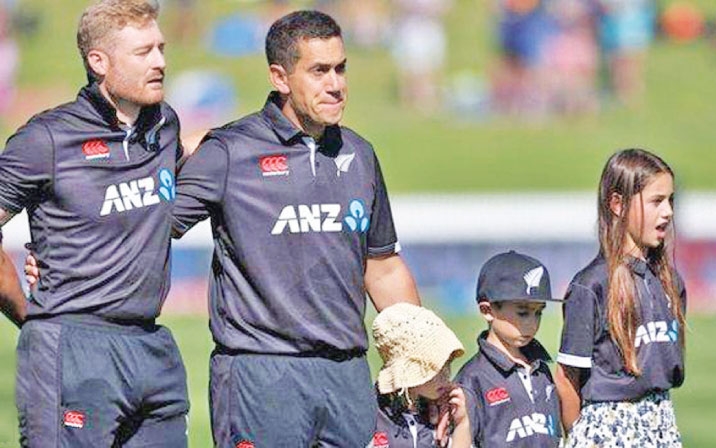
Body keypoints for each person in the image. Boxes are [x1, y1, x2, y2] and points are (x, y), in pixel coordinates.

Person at [171, 10, 421, 447]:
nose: (336, 84)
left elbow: (382, 267)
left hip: (345, 376)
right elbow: (147, 227)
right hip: (260, 376)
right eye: (319, 71)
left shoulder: (359, 154)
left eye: (341, 68)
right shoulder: (230, 151)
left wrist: (421, 358)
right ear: (280, 77)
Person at [0, 1, 189, 446]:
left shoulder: (164, 125)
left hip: (152, 349)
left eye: (160, 48)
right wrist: (30, 313)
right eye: (143, 52)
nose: (160, 61)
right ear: (98, 62)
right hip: (72, 348)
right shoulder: (45, 139)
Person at [554, 148, 686, 447]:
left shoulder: (671, 283)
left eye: (670, 200)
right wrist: (585, 436)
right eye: (656, 201)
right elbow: (566, 379)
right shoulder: (591, 286)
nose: (668, 211)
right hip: (606, 426)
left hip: (661, 421)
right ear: (617, 204)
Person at [455, 251, 563, 447]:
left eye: (539, 313)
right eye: (523, 313)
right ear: (487, 311)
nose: (532, 324)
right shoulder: (472, 379)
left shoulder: (542, 370)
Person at [369, 302, 471, 448]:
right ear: (408, 372)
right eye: (434, 367)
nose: (446, 374)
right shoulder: (370, 414)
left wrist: (462, 423)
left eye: (447, 363)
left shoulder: (444, 411)